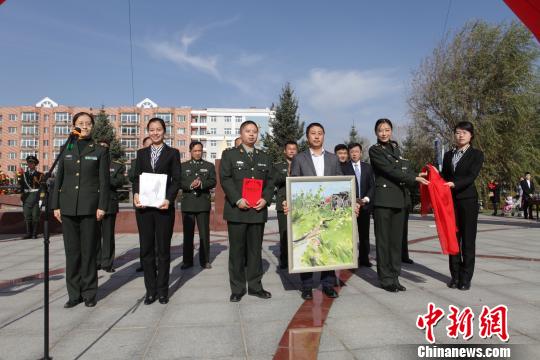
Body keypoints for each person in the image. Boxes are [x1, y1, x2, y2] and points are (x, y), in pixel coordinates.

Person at [51, 112, 110, 308]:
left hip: (90, 208)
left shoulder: (100, 150)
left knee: (88, 252)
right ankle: (74, 294)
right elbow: (59, 179)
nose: (84, 126)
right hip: (67, 207)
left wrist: (102, 206)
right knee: (72, 252)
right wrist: (55, 205)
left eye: (87, 123)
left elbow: (104, 181)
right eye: (80, 123)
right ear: (74, 126)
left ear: (92, 126)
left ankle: (89, 293)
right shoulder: (66, 147)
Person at [369, 118, 429, 293]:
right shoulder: (375, 150)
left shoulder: (396, 149)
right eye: (381, 130)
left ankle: (395, 276)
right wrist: (413, 178)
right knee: (383, 242)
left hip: (399, 201)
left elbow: (402, 170)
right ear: (376, 133)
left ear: (391, 131)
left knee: (396, 243)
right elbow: (390, 171)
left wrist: (418, 174)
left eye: (387, 129)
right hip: (383, 201)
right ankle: (385, 279)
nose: (384, 133)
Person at [220, 120, 274, 302]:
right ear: (241, 133)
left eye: (254, 131)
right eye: (248, 131)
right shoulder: (230, 155)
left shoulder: (265, 157)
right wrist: (237, 199)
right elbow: (225, 179)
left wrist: (266, 199)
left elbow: (271, 181)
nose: (251, 134)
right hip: (237, 210)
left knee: (255, 251)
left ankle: (255, 286)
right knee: (236, 251)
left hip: (257, 210)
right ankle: (237, 288)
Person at [290, 122, 343, 300]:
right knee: (307, 247)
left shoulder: (333, 159)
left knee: (327, 246)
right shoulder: (299, 159)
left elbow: (340, 184)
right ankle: (306, 286)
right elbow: (294, 183)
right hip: (307, 211)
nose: (317, 136)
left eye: (320, 133)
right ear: (307, 137)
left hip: (328, 211)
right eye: (313, 133)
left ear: (324, 136)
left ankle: (328, 284)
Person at [133, 118, 181, 305]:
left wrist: (169, 199)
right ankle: (150, 291)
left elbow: (176, 179)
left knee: (163, 250)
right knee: (146, 250)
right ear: (148, 131)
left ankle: (162, 291)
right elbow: (136, 177)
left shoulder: (172, 153)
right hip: (144, 209)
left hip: (163, 208)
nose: (155, 133)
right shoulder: (141, 153)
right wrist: (136, 194)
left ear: (164, 131)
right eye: (152, 130)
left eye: (158, 129)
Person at [441, 121, 484, 291]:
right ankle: (455, 275)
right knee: (453, 239)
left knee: (467, 240)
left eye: (464, 133)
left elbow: (471, 176)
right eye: (458, 132)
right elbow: (444, 175)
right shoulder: (448, 155)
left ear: (471, 135)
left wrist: (453, 184)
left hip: (467, 201)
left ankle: (466, 277)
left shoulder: (476, 154)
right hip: (450, 202)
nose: (460, 136)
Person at [180, 141, 217, 269]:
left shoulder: (209, 166)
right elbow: (179, 181)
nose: (197, 153)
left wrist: (202, 184)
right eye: (195, 151)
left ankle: (205, 260)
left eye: (200, 151)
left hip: (202, 203)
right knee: (188, 234)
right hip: (188, 204)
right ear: (190, 151)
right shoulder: (183, 166)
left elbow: (213, 181)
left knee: (204, 233)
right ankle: (187, 261)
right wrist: (190, 185)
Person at [95, 139, 127, 273]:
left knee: (108, 236)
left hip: (109, 203)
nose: (103, 148)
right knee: (94, 235)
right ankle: (96, 261)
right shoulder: (91, 162)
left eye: (105, 146)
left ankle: (107, 263)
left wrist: (104, 176)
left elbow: (119, 182)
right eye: (100, 146)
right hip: (93, 203)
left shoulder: (117, 165)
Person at [341, 143, 375, 267]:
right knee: (348, 234)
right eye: (352, 152)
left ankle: (364, 258)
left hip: (364, 206)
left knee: (364, 234)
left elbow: (372, 185)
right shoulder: (344, 168)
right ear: (349, 154)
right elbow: (342, 187)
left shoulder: (367, 167)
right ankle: (348, 259)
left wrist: (366, 199)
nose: (354, 154)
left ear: (361, 153)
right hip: (349, 206)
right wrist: (352, 200)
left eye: (356, 151)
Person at [273, 141, 298, 270]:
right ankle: (284, 259)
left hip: (298, 204)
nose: (292, 151)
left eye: (294, 149)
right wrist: (286, 173)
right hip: (282, 203)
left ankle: (297, 258)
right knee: (284, 233)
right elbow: (274, 181)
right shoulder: (277, 166)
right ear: (285, 151)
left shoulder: (301, 164)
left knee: (298, 232)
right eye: (289, 149)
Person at [128, 136, 152, 272]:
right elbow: (132, 176)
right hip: (141, 201)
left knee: (156, 236)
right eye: (147, 146)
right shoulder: (136, 161)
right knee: (144, 235)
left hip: (156, 201)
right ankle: (144, 263)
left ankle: (155, 261)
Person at [18, 155, 44, 239]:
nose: (30, 165)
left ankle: (34, 234)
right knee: (27, 216)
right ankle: (28, 233)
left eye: (32, 163)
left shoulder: (40, 175)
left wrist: (41, 199)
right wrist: (21, 196)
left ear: (35, 164)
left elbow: (43, 188)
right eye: (29, 163)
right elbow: (21, 187)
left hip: (36, 197)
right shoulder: (24, 175)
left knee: (35, 216)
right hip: (26, 197)